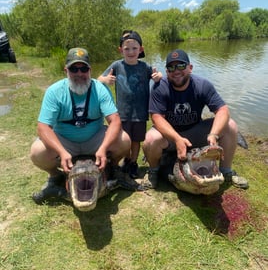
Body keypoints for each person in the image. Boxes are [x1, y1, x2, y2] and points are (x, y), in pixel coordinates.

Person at [30, 47, 141, 204]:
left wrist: (103, 148)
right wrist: (61, 152)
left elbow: (115, 121)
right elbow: (43, 127)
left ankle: (114, 168)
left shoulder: (100, 88)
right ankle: (56, 176)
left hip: (94, 138)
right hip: (65, 140)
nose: (79, 73)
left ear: (90, 70)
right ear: (66, 70)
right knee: (37, 151)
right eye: (74, 69)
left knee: (124, 139)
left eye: (84, 68)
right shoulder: (54, 92)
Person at [141, 48, 248, 190]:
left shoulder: (203, 85)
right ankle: (153, 172)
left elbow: (223, 110)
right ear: (167, 72)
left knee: (230, 125)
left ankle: (226, 171)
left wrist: (213, 134)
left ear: (190, 68)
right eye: (171, 67)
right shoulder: (160, 87)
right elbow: (156, 118)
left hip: (195, 132)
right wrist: (177, 139)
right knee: (150, 139)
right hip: (170, 137)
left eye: (181, 66)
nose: (176, 71)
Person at [98, 30, 162, 178]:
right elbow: (99, 78)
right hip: (122, 112)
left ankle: (133, 162)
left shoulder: (145, 67)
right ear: (121, 50)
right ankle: (125, 160)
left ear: (141, 49)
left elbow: (157, 78)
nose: (131, 51)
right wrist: (106, 80)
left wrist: (159, 77)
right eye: (127, 49)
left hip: (140, 112)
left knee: (136, 140)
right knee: (123, 138)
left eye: (134, 48)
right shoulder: (116, 65)